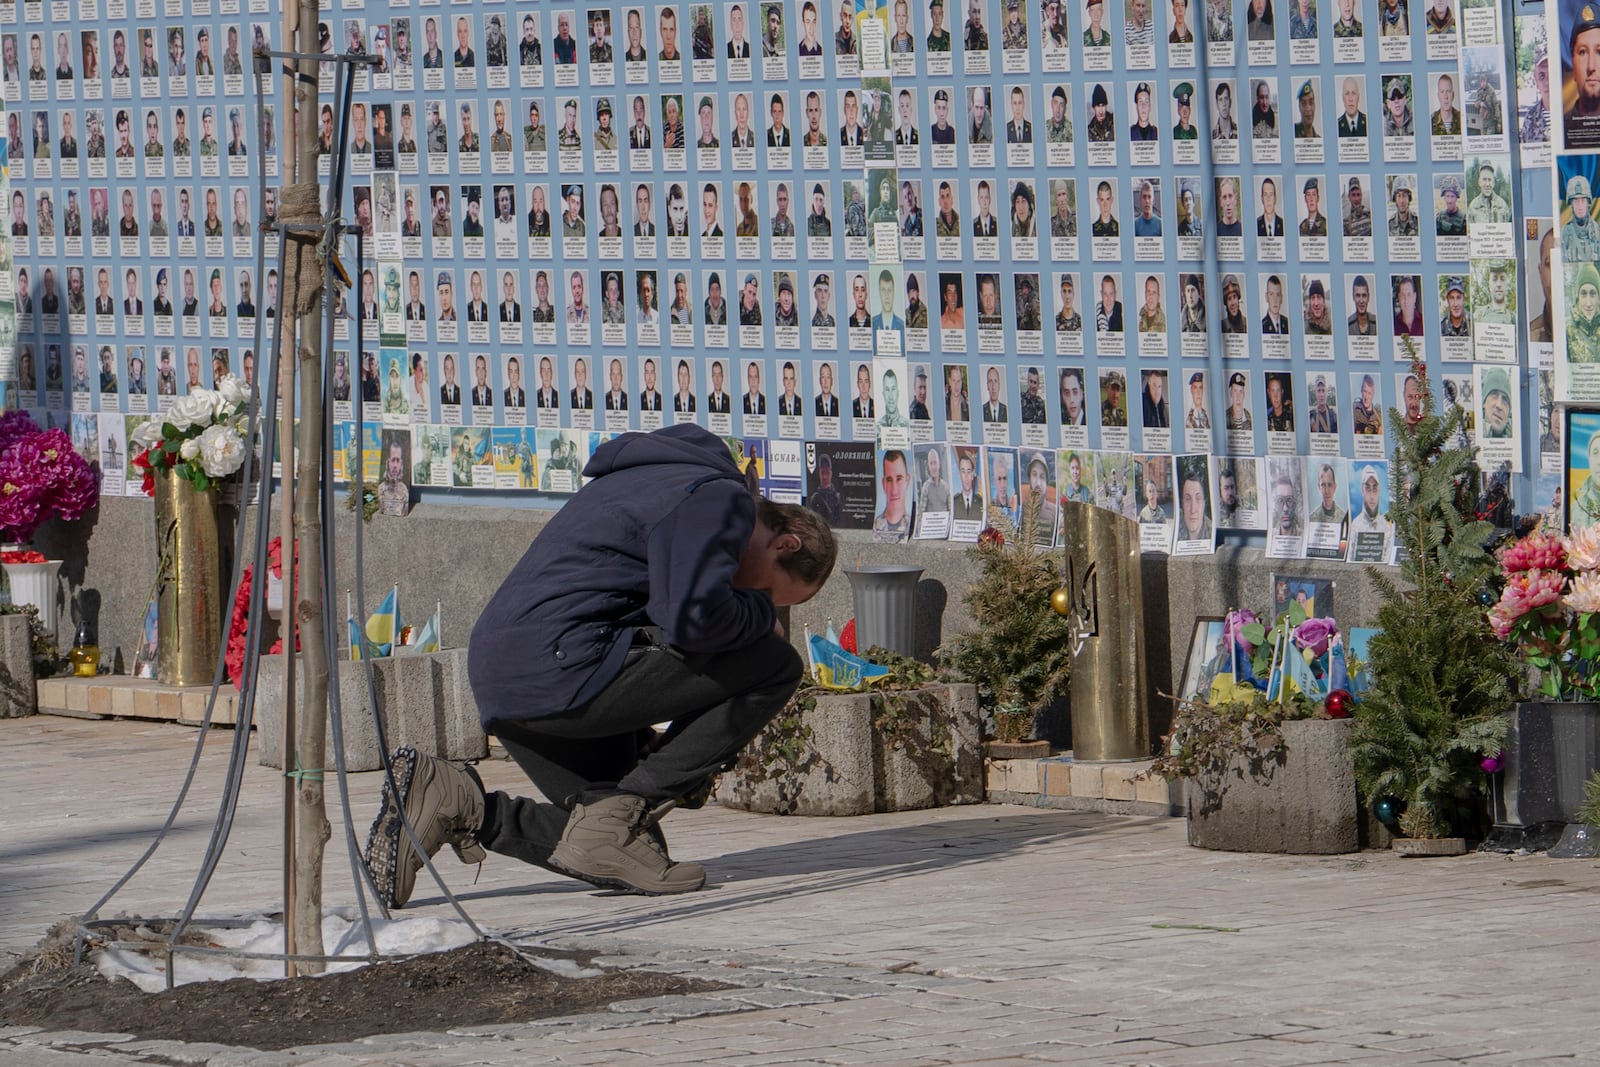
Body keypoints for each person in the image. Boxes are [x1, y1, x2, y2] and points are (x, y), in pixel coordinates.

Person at [365, 426, 835, 903]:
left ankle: (460, 804)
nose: (759, 602)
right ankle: (614, 814)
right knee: (775, 662)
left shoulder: (660, 483)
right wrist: (760, 619)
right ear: (785, 544)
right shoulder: (720, 501)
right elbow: (691, 620)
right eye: (770, 594)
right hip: (559, 668)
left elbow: (612, 605)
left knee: (628, 850)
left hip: (511, 679)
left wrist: (643, 742)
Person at [873, 449, 912, 540]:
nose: (894, 491)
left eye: (899, 479)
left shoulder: (913, 525)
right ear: (883, 484)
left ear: (907, 481)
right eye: (889, 480)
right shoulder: (876, 526)